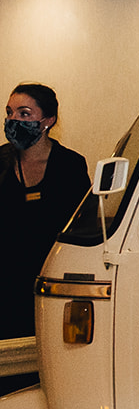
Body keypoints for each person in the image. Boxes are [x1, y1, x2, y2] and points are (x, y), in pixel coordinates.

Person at [0, 84, 91, 340]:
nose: (13, 120)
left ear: (47, 120)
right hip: (5, 285)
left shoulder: (70, 165)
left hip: (49, 284)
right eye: (9, 112)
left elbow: (80, 227)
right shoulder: (1, 161)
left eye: (24, 113)